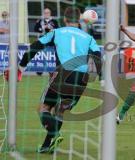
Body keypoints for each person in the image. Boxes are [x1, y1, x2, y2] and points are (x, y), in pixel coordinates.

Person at [16, 7, 101, 153]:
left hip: (63, 73)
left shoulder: (57, 32)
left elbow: (36, 46)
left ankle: (54, 133)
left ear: (65, 19)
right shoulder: (89, 38)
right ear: (79, 19)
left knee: (43, 108)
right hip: (82, 78)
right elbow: (98, 58)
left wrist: (21, 67)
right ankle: (47, 146)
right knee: (60, 111)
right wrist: (102, 78)